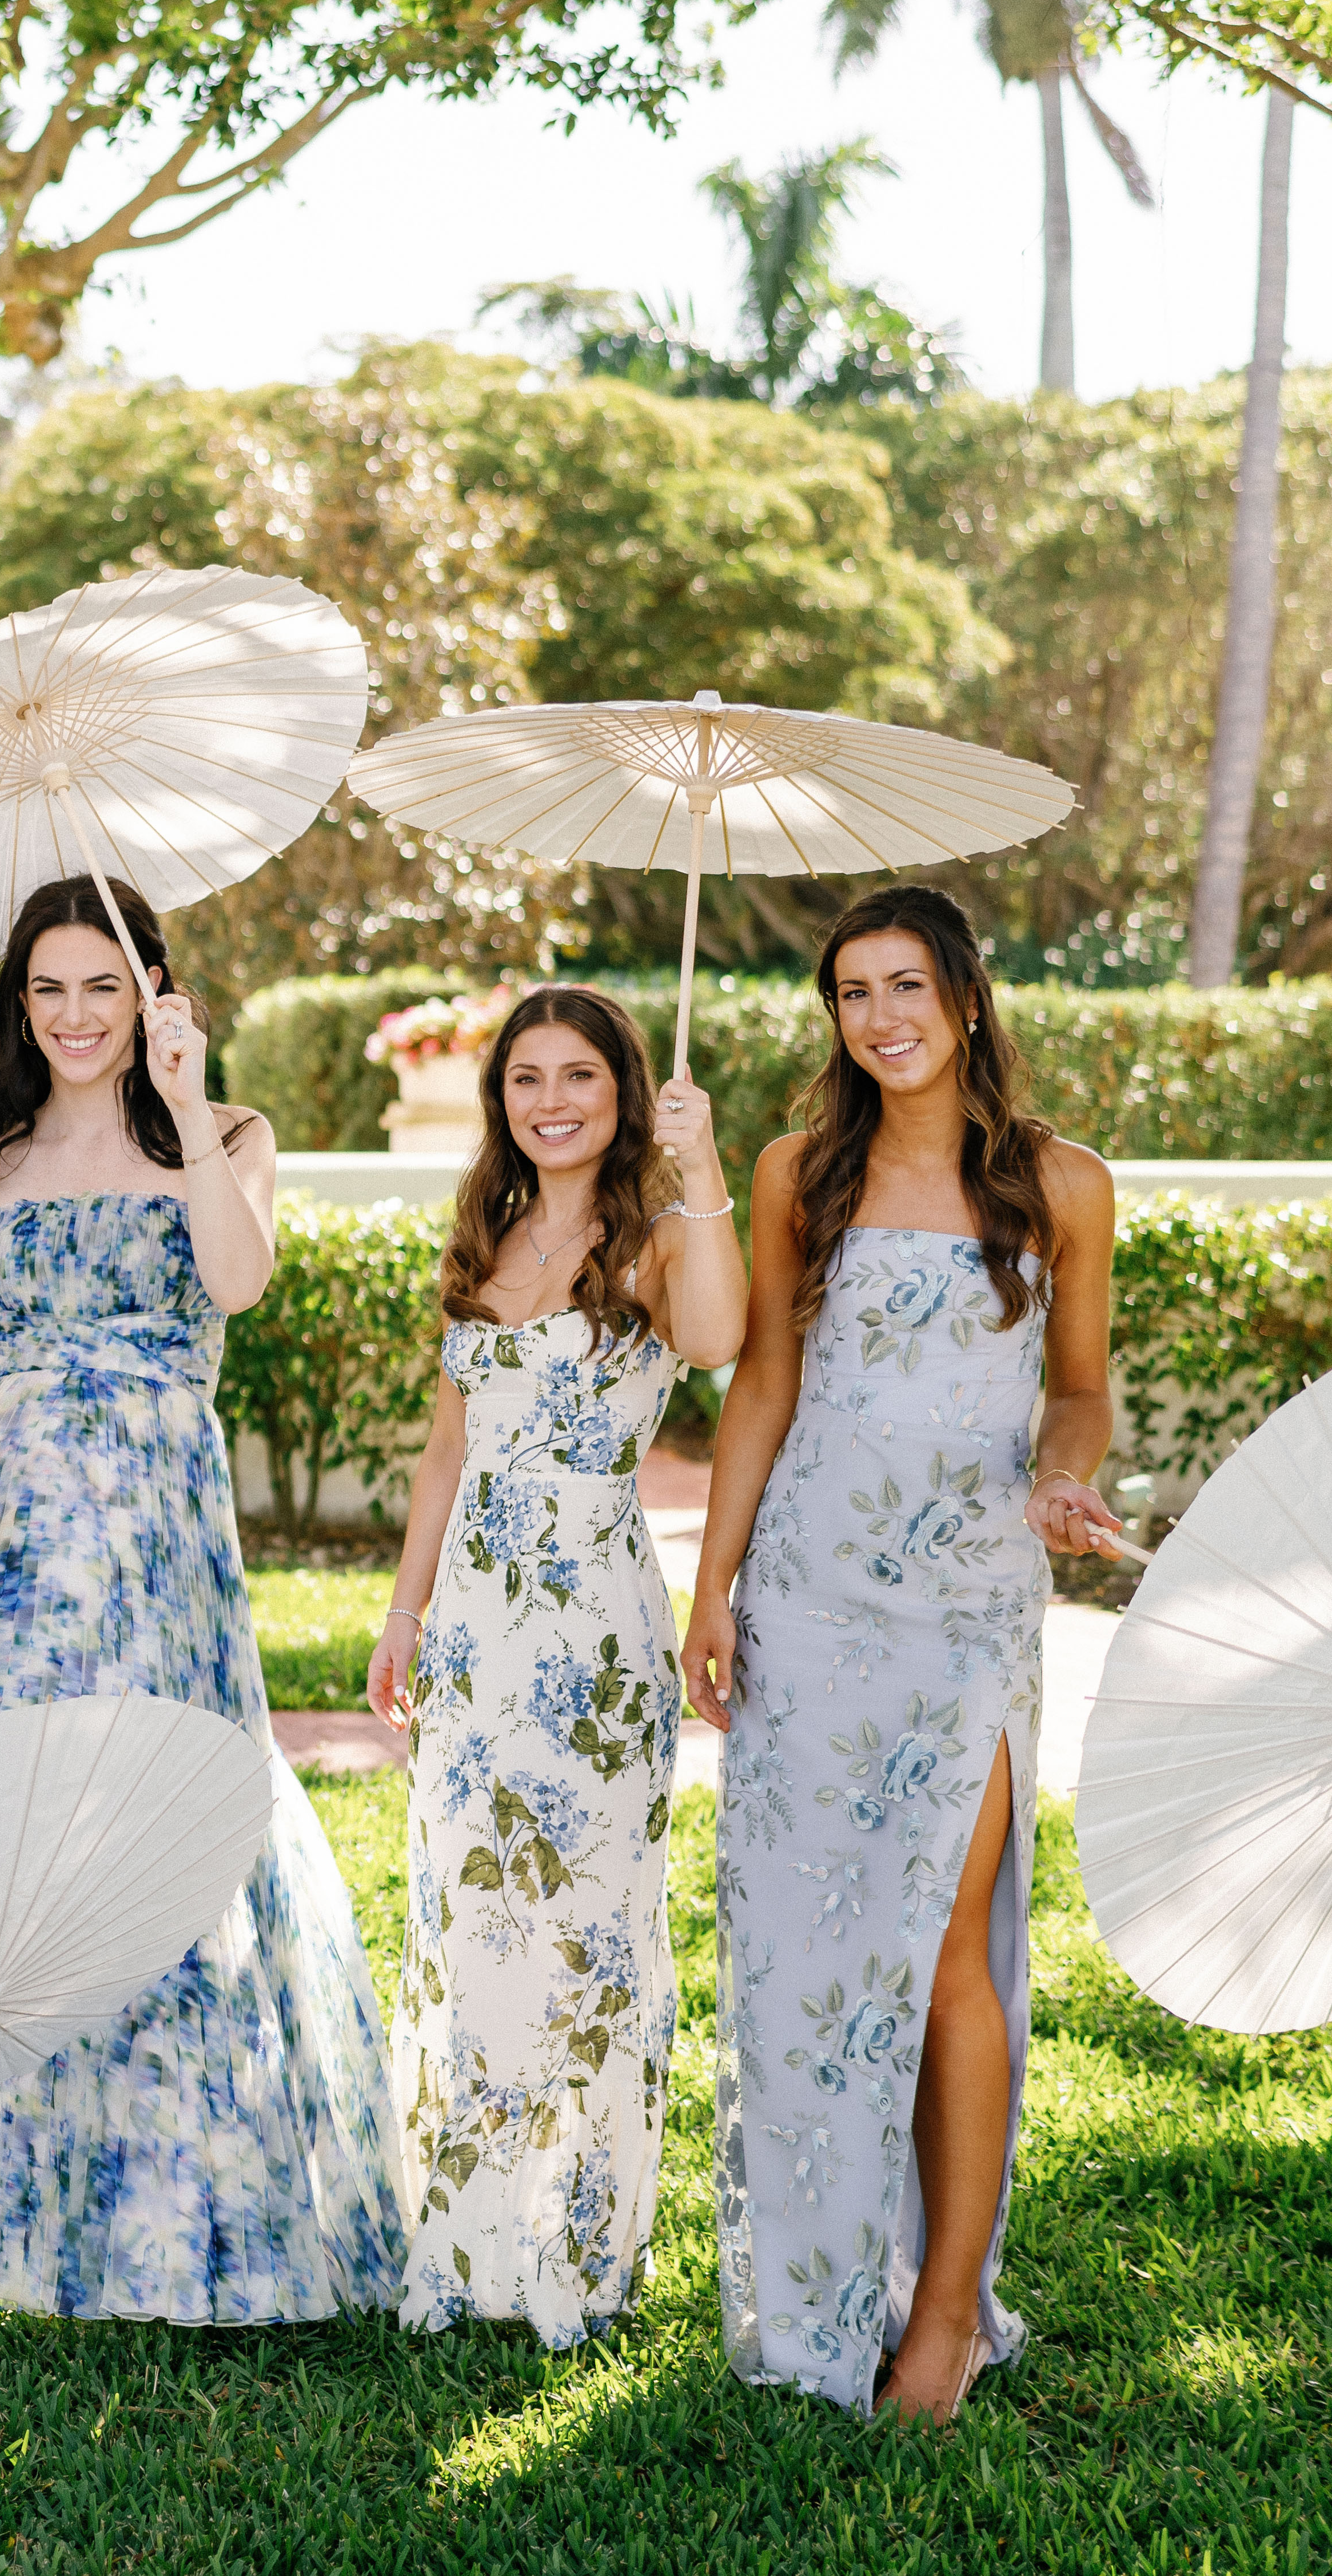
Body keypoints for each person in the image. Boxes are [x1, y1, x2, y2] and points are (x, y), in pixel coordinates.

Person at [0, 874, 401, 2325]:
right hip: (6, 1541)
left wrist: (181, 1098)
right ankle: (1, 2211)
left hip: (156, 1528)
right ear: (17, 1005)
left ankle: (177, 2203)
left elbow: (235, 1284)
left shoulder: (227, 1138)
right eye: (45, 989)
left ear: (150, 993)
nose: (72, 1015)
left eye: (99, 986)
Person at [687, 884, 1123, 2425]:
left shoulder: (1062, 1183)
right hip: (807, 1596)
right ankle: (822, 2295)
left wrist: (1063, 1473)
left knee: (942, 1952)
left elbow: (1079, 1388)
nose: (877, 1019)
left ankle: (942, 2316)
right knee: (801, 1951)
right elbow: (760, 1383)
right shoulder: (796, 1170)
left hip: (964, 1608)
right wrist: (711, 1587)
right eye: (849, 994)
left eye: (902, 988)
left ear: (963, 998)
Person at [364, 984, 744, 2347]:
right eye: (524, 1078)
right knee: (472, 1915)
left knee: (581, 1919)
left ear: (622, 1090)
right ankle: (467, 2234)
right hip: (473, 1629)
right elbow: (443, 1453)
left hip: (591, 1631)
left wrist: (702, 1168)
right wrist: (403, 1614)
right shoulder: (486, 1230)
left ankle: (574, 2246)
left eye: (577, 1075)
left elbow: (717, 1341)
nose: (548, 1101)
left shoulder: (655, 1238)